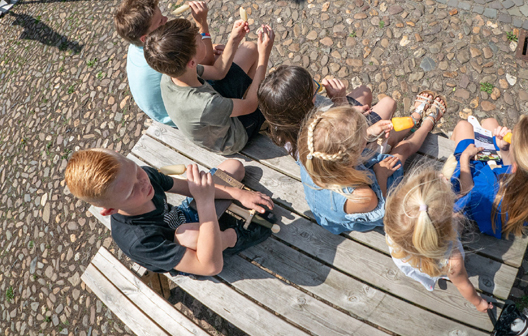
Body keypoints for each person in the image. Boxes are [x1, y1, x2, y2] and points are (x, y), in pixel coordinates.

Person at [64, 148, 275, 275]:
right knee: (188, 234)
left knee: (234, 166)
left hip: (184, 216)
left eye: (136, 170)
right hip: (189, 251)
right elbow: (210, 267)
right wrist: (205, 202)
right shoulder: (138, 241)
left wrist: (237, 194)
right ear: (110, 209)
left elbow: (186, 187)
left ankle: (216, 228)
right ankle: (235, 236)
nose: (143, 182)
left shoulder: (144, 178)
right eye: (130, 191)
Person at [296, 95, 446, 234]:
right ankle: (427, 123)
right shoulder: (363, 196)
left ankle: (414, 118)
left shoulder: (311, 154)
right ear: (354, 154)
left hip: (338, 183)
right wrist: (380, 173)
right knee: (401, 152)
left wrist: (369, 134)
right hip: (370, 198)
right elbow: (383, 208)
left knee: (390, 137)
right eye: (363, 137)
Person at [144, 18, 274, 155]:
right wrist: (264, 57)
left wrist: (234, 39)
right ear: (192, 63)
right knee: (272, 96)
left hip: (214, 109)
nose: (201, 36)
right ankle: (262, 120)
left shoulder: (172, 74)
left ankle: (247, 92)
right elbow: (251, 104)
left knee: (250, 48)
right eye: (198, 40)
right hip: (235, 136)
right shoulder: (205, 104)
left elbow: (218, 72)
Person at [384, 166, 492, 312]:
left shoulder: (395, 223)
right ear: (448, 228)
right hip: (440, 263)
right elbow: (463, 285)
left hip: (410, 260)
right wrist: (479, 303)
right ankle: (438, 275)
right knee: (460, 217)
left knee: (425, 268)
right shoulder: (453, 260)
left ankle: (429, 280)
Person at [450, 115, 528, 239]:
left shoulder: (487, 188)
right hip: (514, 208)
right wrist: (505, 150)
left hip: (483, 210)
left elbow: (465, 193)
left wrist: (465, 157)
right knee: (489, 122)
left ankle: (451, 141)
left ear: (514, 167)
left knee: (463, 126)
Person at [114, 0, 224, 127]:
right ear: (145, 37)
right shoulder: (165, 55)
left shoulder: (138, 46)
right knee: (245, 51)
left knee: (215, 50)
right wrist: (202, 24)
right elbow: (208, 62)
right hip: (186, 118)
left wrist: (205, 47)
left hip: (163, 113)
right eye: (160, 21)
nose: (166, 19)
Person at [257, 65, 397, 157]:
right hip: (348, 151)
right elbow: (347, 138)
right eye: (315, 91)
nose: (319, 88)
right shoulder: (318, 135)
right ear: (303, 107)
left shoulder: (282, 122)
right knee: (388, 103)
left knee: (364, 92)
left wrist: (350, 109)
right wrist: (341, 102)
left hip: (336, 136)